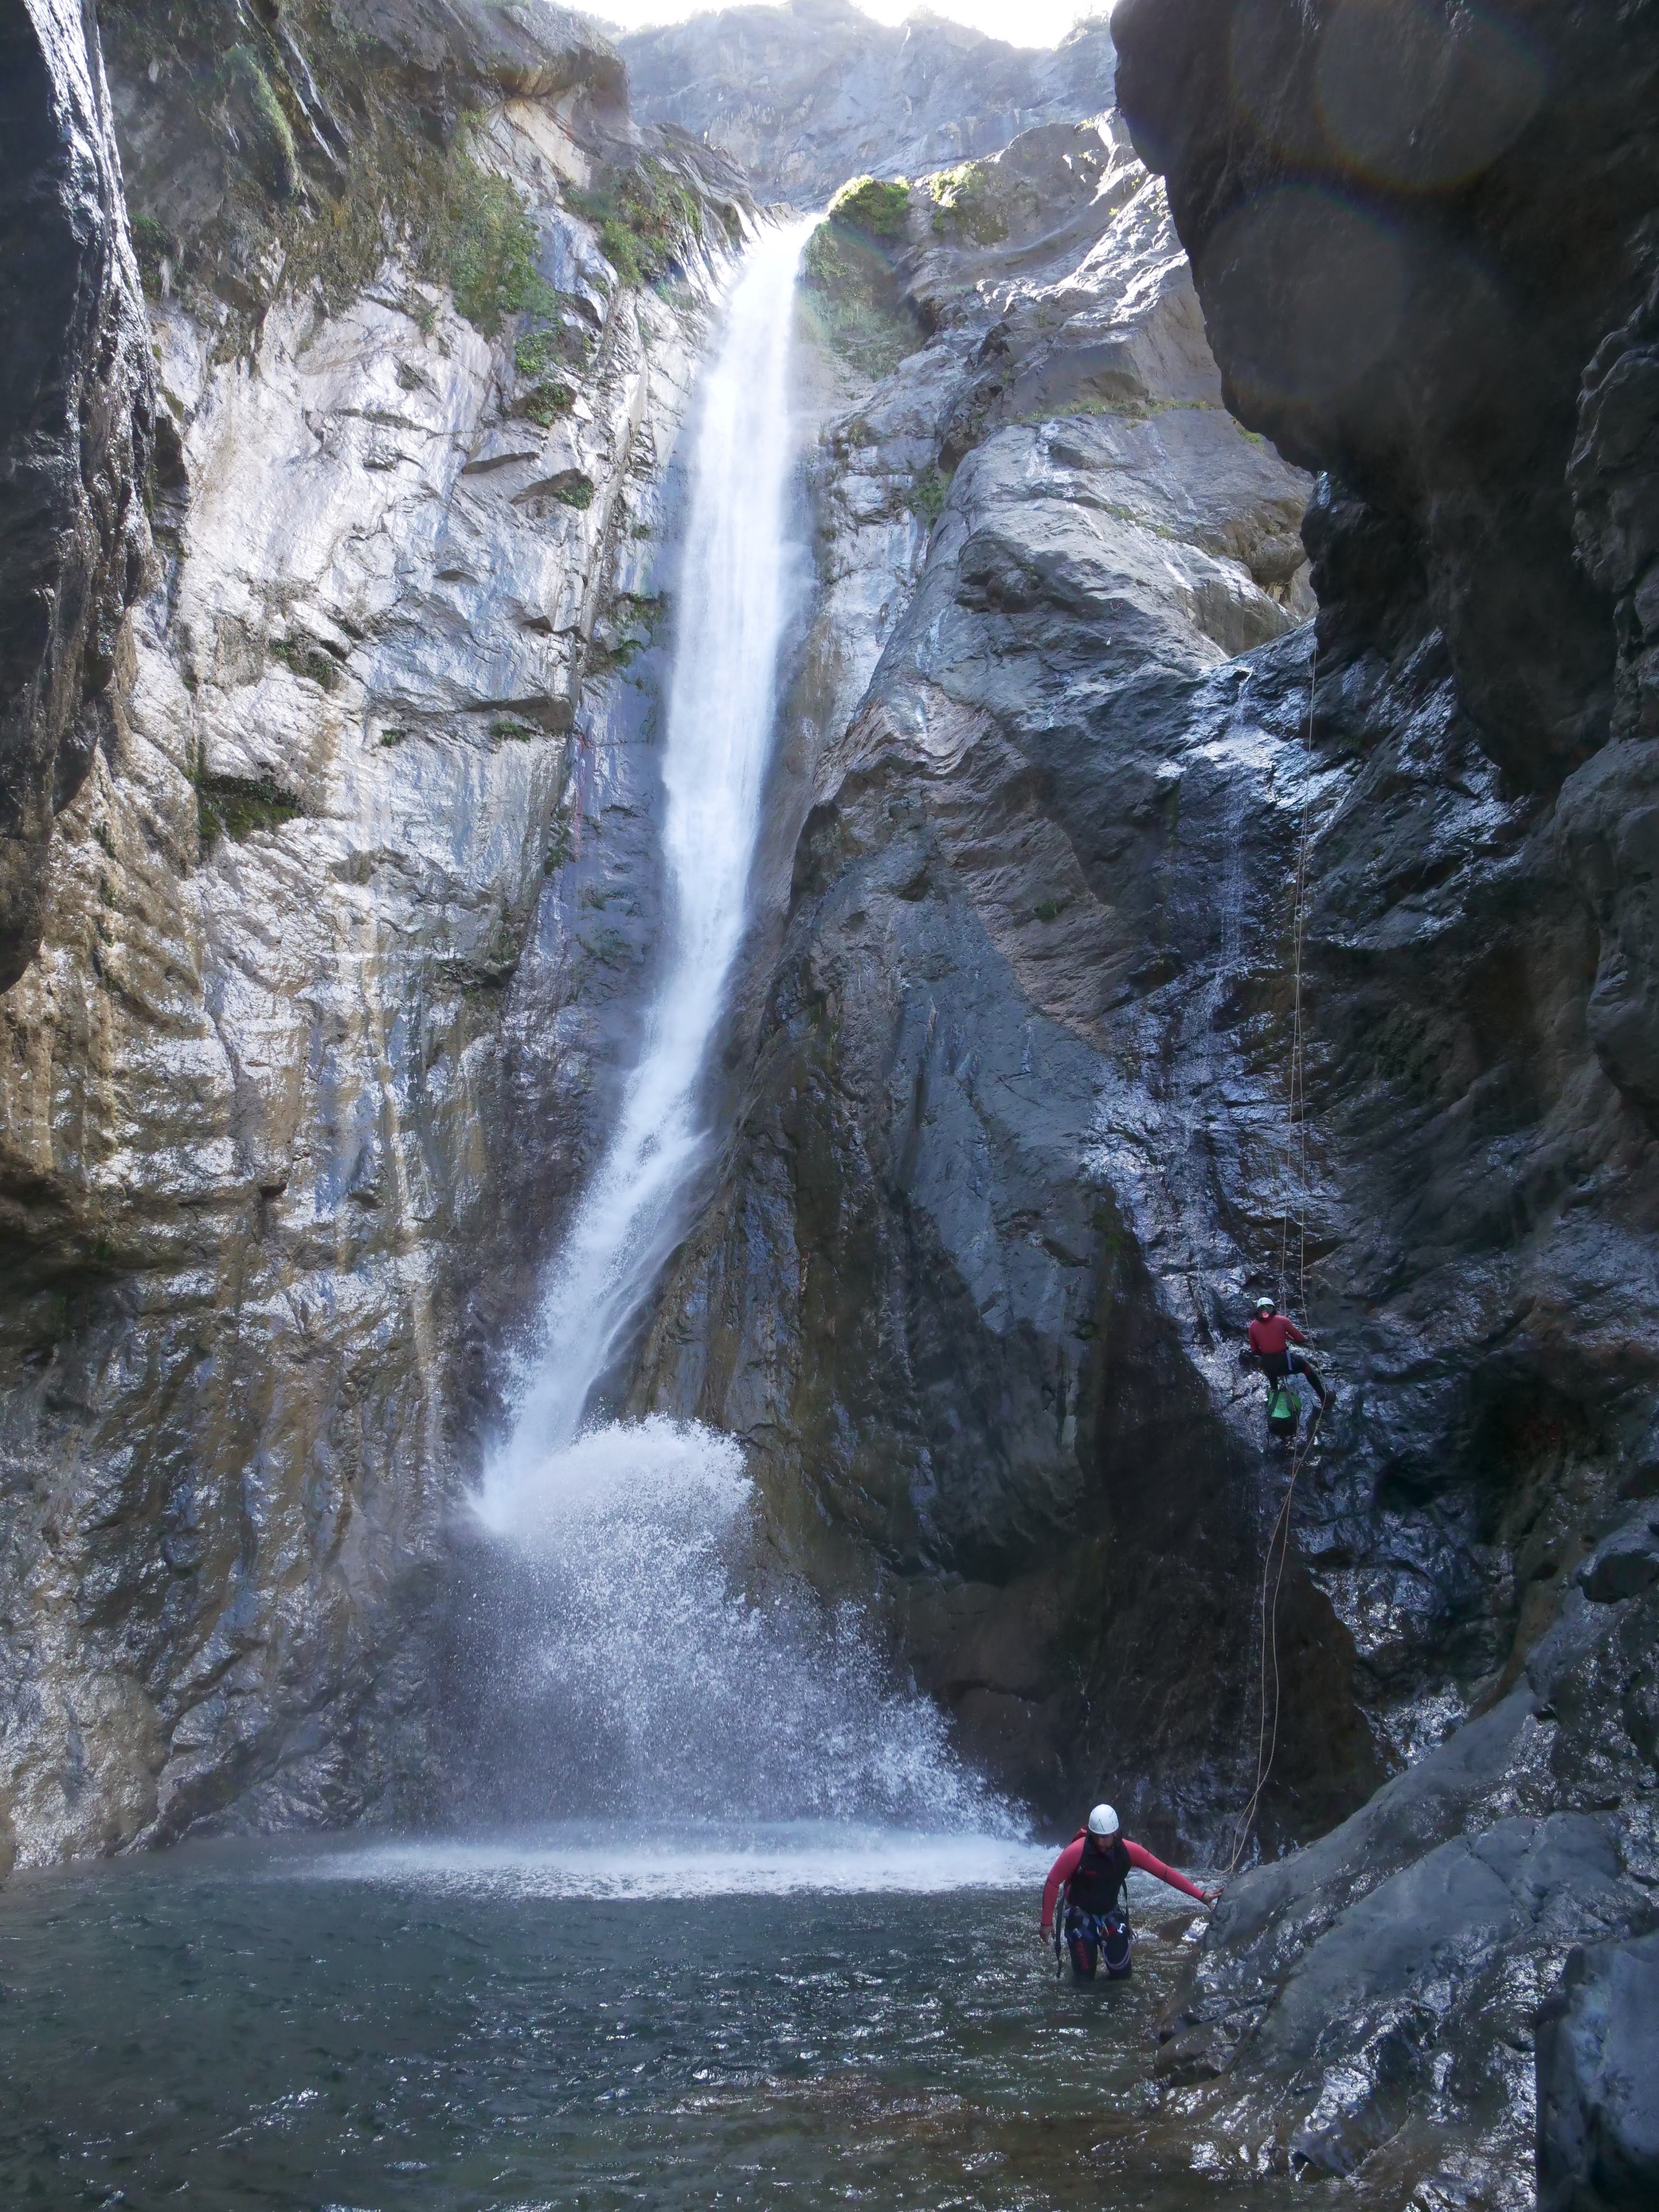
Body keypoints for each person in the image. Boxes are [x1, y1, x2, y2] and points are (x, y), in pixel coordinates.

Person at [1039, 1803, 1215, 1981]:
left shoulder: (1129, 1851)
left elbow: (1165, 1873)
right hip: (1080, 1916)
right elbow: (1053, 1882)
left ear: (1115, 1833)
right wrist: (1046, 1923)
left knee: (1122, 1977)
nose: (1101, 1842)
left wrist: (1201, 1895)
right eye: (1097, 1837)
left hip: (1109, 1913)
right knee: (1084, 1980)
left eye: (1105, 1837)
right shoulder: (1076, 1852)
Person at [1246, 1295, 1329, 1409]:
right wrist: (1287, 1337)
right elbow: (1301, 1339)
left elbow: (1255, 1350)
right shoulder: (1282, 1320)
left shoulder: (1253, 1326)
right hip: (1285, 1363)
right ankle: (1325, 1399)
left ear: (1258, 1311)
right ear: (1273, 1308)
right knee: (1306, 1368)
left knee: (1269, 1367)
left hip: (1268, 1365)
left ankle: (1274, 1394)